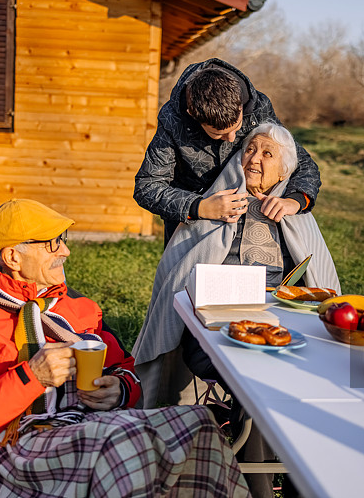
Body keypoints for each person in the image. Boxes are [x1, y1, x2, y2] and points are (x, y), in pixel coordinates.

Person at [0, 198, 251, 498]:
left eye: (63, 240)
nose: (65, 251)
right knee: (125, 446)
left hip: (90, 426)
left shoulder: (76, 306)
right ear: (13, 256)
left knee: (199, 423)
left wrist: (121, 390)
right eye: (52, 243)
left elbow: (124, 367)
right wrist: (31, 377)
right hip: (15, 446)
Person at [132, 124, 341, 498]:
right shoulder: (218, 204)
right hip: (215, 333)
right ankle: (260, 489)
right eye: (250, 150)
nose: (254, 159)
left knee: (299, 383)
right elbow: (178, 273)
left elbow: (320, 286)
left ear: (285, 171)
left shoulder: (297, 215)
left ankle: (299, 484)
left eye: (267, 154)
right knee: (259, 383)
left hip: (285, 330)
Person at [134, 58, 322, 246]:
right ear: (193, 114)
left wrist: (295, 200)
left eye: (237, 127)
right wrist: (199, 206)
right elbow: (147, 187)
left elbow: (301, 162)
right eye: (219, 134)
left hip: (251, 228)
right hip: (190, 231)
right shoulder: (172, 120)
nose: (232, 138)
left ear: (240, 103)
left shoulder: (258, 107)